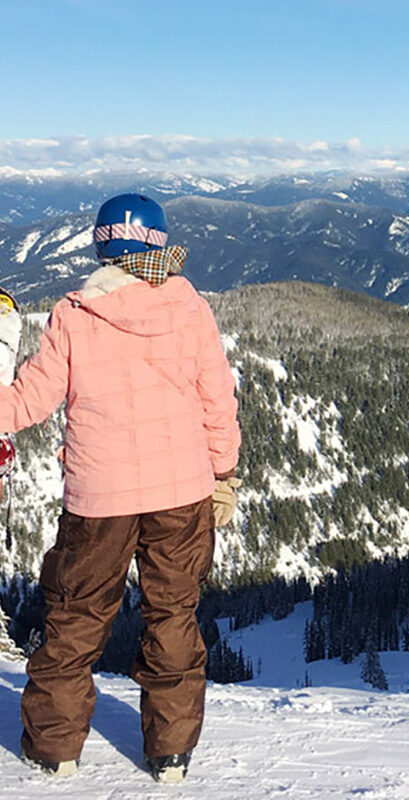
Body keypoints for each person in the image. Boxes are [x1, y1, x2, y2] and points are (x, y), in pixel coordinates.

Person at [0, 194, 241, 783]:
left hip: (98, 500)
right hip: (181, 493)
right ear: (158, 243)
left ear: (101, 245)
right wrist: (224, 471)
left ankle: (54, 751)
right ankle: (171, 755)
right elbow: (217, 400)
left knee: (76, 618)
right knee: (173, 618)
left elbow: (28, 400)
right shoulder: (191, 309)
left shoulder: (75, 315)